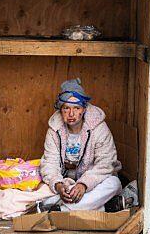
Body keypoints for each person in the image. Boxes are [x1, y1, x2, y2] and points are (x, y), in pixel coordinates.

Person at [39, 78, 124, 212]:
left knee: (113, 184)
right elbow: (50, 163)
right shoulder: (54, 130)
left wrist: (84, 184)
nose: (71, 114)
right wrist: (58, 185)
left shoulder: (98, 128)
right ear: (61, 110)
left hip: (93, 182)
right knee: (42, 188)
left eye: (76, 108)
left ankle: (61, 210)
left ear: (84, 109)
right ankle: (103, 207)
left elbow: (105, 164)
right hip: (66, 183)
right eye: (66, 108)